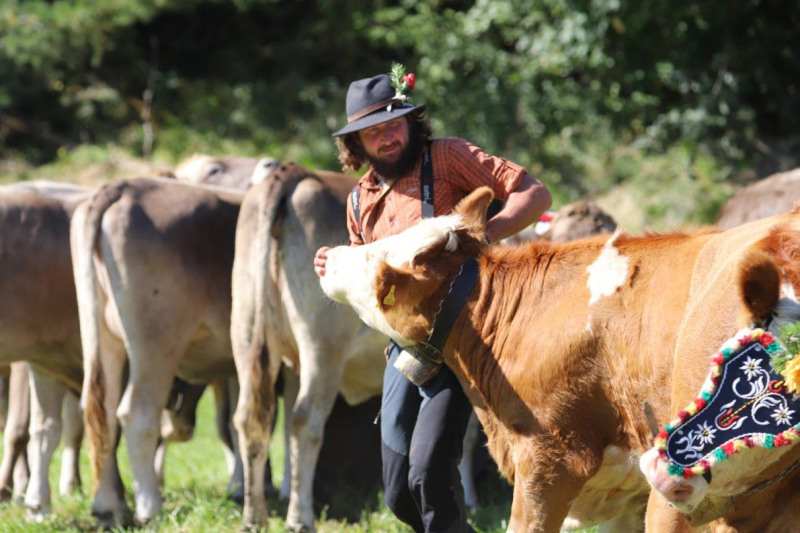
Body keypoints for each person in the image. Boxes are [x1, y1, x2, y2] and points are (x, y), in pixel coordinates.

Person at [314, 68, 552, 532]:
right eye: (372, 132)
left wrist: (479, 235)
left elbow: (535, 194)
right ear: (355, 144)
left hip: (465, 342)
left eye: (393, 125)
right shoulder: (357, 202)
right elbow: (371, 287)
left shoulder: (446, 156)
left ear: (410, 122)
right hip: (404, 351)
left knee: (427, 475)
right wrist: (336, 265)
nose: (386, 138)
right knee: (397, 492)